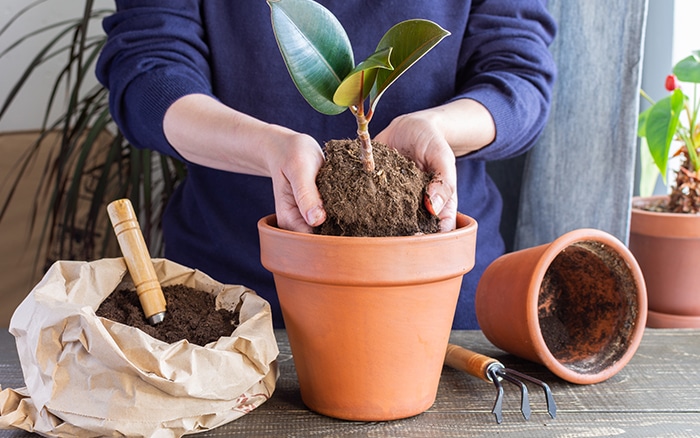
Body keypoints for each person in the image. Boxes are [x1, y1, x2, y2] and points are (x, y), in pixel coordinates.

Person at [96, 0, 557, 329]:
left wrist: (437, 129)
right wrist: (267, 148)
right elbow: (148, 73)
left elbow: (519, 77)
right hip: (226, 306)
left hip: (436, 303)